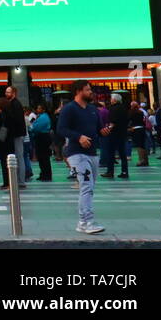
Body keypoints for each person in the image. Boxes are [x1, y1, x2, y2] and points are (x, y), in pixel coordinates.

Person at [58, 80, 107, 233]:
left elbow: (98, 129)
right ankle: (87, 221)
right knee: (86, 186)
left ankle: (83, 222)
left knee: (90, 187)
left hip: (92, 153)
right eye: (87, 90)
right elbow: (61, 129)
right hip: (76, 153)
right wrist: (79, 137)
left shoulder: (93, 109)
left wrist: (104, 131)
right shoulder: (69, 109)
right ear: (78, 91)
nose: (90, 92)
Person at [1, 85, 28, 190]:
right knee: (18, 157)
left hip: (17, 134)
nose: (6, 94)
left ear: (14, 93)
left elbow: (16, 120)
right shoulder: (13, 104)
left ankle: (21, 181)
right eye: (6, 92)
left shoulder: (15, 104)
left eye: (8, 92)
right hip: (17, 134)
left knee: (19, 157)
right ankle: (19, 180)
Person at [29, 104, 53, 181]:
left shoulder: (44, 117)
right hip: (40, 137)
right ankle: (43, 174)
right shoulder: (41, 116)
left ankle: (46, 175)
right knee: (41, 157)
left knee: (44, 157)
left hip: (43, 137)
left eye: (39, 108)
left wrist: (31, 127)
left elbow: (36, 127)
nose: (38, 109)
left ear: (43, 109)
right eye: (37, 108)